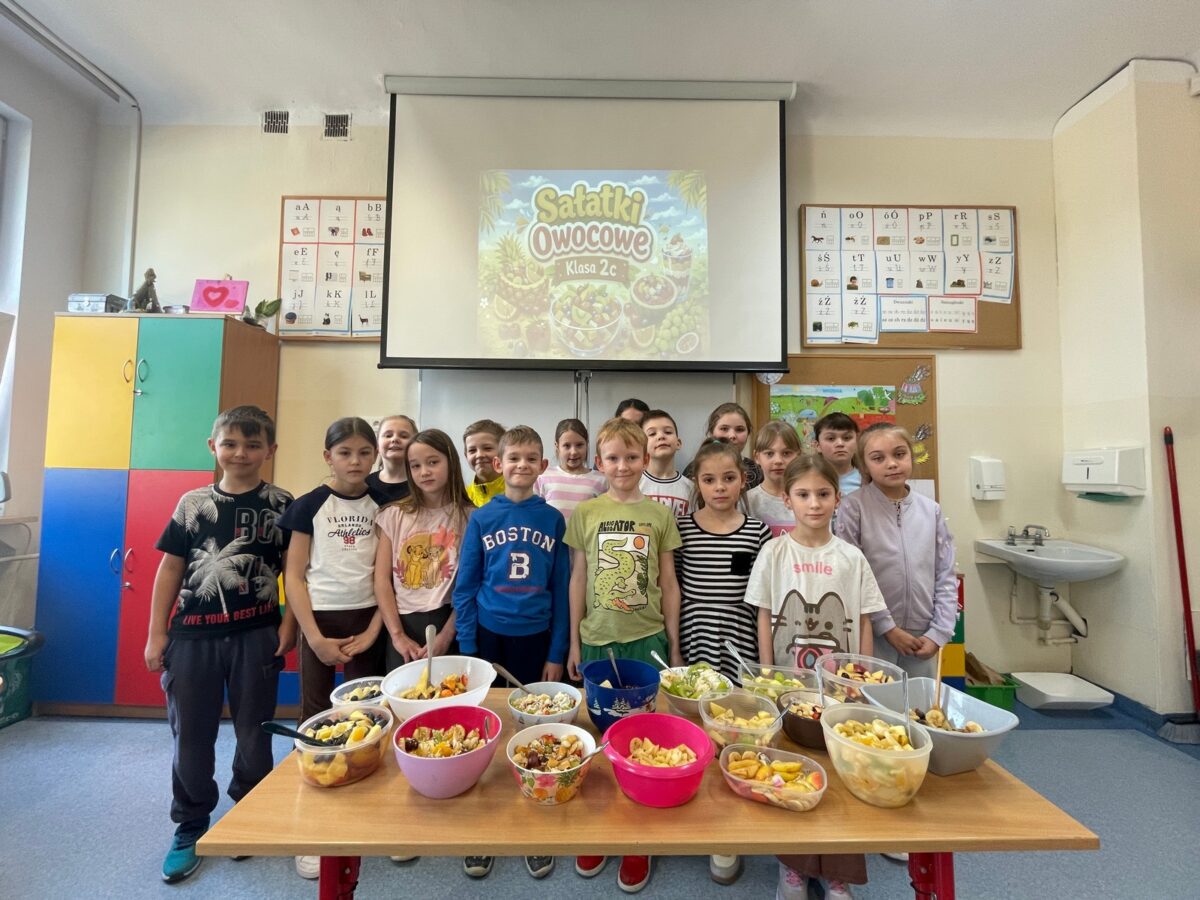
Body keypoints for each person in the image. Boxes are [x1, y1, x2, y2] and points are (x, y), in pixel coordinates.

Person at [143, 405, 294, 884]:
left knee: (255, 733)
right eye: (230, 443)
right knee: (191, 735)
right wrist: (157, 632)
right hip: (192, 638)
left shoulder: (282, 503)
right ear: (213, 447)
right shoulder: (192, 504)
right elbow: (170, 568)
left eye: (253, 445)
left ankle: (248, 811)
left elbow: (296, 571)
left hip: (258, 635)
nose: (241, 453)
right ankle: (190, 823)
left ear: (270, 450)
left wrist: (289, 625)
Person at [745, 454, 887, 900]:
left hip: (841, 687)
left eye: (823, 494)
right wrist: (767, 674)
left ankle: (838, 872)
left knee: (842, 772)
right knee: (791, 770)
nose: (814, 503)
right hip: (788, 686)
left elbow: (864, 618)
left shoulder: (851, 556)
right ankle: (792, 868)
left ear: (837, 498)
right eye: (803, 495)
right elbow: (763, 615)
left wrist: (863, 679)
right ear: (787, 499)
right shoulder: (774, 551)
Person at [565, 417, 682, 894]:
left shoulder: (659, 514)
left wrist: (674, 644)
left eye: (632, 457)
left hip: (647, 639)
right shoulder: (586, 512)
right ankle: (599, 830)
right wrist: (574, 642)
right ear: (600, 462)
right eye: (613, 458)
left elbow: (668, 583)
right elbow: (577, 579)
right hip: (598, 639)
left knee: (644, 739)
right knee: (600, 738)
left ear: (645, 459)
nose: (622, 466)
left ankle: (638, 838)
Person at [453, 425, 569, 882]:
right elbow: (465, 586)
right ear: (498, 465)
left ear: (543, 466)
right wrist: (468, 649)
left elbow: (561, 590)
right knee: (484, 732)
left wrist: (557, 652)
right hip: (488, 638)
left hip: (536, 638)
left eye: (531, 458)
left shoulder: (553, 519)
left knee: (534, 731)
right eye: (514, 457)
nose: (522, 465)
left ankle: (533, 826)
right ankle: (483, 829)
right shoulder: (482, 518)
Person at [278, 416, 387, 879]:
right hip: (320, 620)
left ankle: (362, 819)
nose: (355, 461)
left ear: (375, 456)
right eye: (345, 453)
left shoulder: (385, 504)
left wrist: (376, 630)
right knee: (315, 715)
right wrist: (314, 637)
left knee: (368, 718)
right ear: (328, 457)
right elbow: (294, 576)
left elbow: (389, 577)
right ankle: (313, 830)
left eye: (364, 453)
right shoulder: (308, 506)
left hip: (368, 620)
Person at [674, 438, 770, 888]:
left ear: (743, 480)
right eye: (709, 479)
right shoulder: (683, 528)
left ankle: (728, 834)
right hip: (695, 633)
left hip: (739, 636)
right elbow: (674, 588)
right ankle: (696, 812)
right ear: (696, 482)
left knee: (736, 728)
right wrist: (676, 649)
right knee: (697, 726)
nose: (719, 487)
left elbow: (761, 596)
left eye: (728, 478)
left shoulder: (758, 531)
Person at [835, 423, 957, 681]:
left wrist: (939, 633)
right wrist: (887, 627)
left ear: (911, 456)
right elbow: (853, 576)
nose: (891, 464)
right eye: (878, 458)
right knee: (874, 701)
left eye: (899, 454)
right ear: (864, 466)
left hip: (923, 635)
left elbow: (946, 574)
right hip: (873, 633)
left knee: (920, 702)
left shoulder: (931, 510)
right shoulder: (853, 507)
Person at [374, 429, 473, 670]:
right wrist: (398, 636)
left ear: (451, 462)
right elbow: (381, 581)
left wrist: (447, 635)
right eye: (415, 466)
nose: (424, 472)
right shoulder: (393, 515)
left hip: (451, 621)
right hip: (402, 624)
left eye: (433, 462)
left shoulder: (471, 517)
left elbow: (472, 584)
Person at [533, 417, 607, 521]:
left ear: (587, 444)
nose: (574, 452)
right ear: (557, 446)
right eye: (567, 446)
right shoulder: (543, 477)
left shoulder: (601, 480)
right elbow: (534, 514)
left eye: (579, 445)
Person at [685, 402, 763, 490]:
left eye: (739, 429)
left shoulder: (756, 470)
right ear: (711, 432)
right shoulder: (693, 468)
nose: (732, 435)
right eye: (724, 429)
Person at [745, 420, 803, 536]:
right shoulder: (748, 501)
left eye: (786, 453)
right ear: (757, 457)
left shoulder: (808, 497)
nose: (778, 461)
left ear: (798, 455)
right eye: (769, 454)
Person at [638, 408, 693, 517]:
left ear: (678, 443)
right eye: (652, 434)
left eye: (668, 432)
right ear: (642, 446)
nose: (661, 436)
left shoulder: (691, 488)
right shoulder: (634, 484)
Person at [368, 414, 417, 503]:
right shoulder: (365, 485)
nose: (395, 439)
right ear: (377, 445)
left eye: (404, 436)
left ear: (416, 444)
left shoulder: (422, 483)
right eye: (388, 435)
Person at [814, 411, 862, 495]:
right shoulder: (807, 479)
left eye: (847, 438)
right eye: (831, 438)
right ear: (817, 445)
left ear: (857, 442)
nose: (840, 444)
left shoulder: (867, 480)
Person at [463, 419, 506, 507]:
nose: (479, 455)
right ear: (466, 456)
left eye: (487, 448)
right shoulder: (462, 498)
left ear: (504, 451)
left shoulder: (521, 492)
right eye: (472, 450)